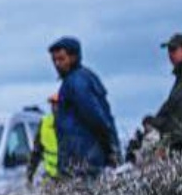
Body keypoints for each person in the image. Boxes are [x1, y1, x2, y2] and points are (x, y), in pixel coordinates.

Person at [48, 36, 119, 177]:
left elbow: (96, 118)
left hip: (83, 160)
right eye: (54, 60)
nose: (57, 64)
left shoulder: (77, 82)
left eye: (61, 59)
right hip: (82, 159)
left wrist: (110, 149)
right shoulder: (79, 79)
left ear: (73, 57)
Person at [143, 32, 182, 156]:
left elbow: (181, 118)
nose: (170, 54)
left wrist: (156, 124)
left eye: (174, 49)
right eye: (169, 50)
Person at [27, 94, 59, 184]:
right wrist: (30, 173)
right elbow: (36, 151)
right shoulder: (45, 123)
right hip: (50, 178)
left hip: (68, 177)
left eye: (57, 104)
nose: (55, 107)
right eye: (53, 104)